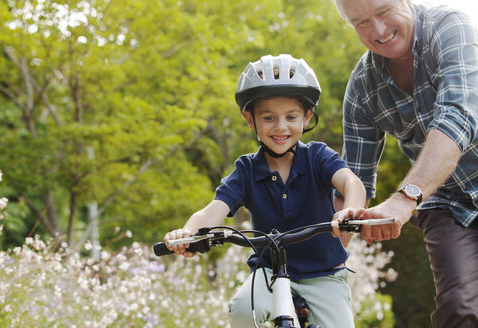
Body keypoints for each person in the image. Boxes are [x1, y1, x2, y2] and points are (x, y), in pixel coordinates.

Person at [164, 54, 365, 327]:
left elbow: (350, 183)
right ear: (250, 119)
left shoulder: (317, 157)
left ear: (306, 117)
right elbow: (214, 210)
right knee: (243, 312)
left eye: (291, 116)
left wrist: (350, 210)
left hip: (324, 274)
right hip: (269, 272)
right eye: (268, 117)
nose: (281, 127)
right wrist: (188, 233)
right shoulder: (247, 170)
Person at [331, 0, 478, 327]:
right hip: (447, 203)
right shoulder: (362, 89)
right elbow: (353, 184)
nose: (378, 31)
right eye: (362, 23)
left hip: (419, 193)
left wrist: (404, 198)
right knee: (460, 307)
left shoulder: (449, 27)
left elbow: (458, 117)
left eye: (384, 11)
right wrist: (319, 267)